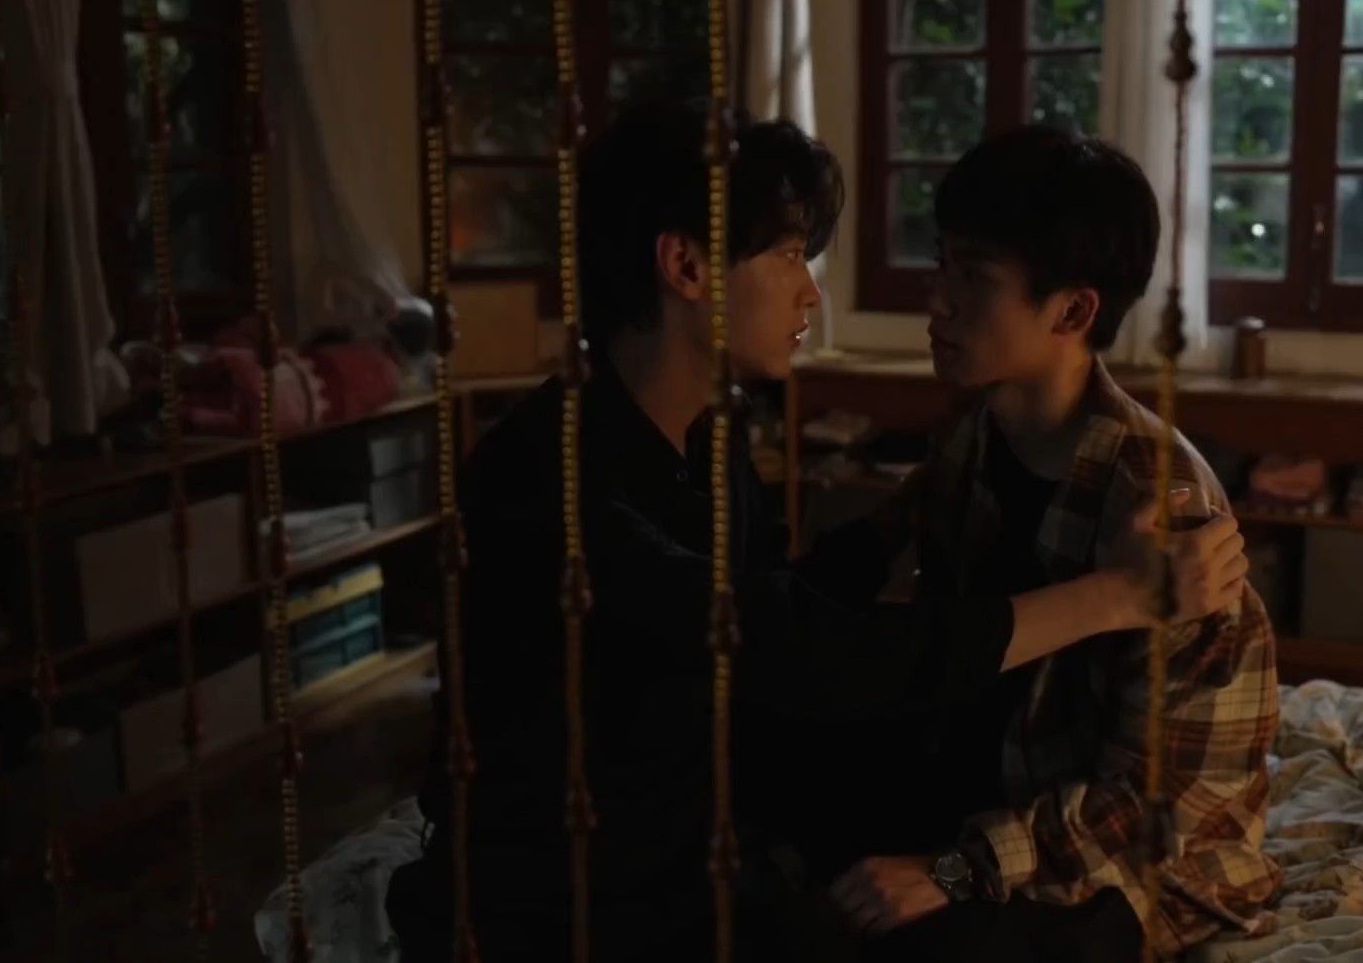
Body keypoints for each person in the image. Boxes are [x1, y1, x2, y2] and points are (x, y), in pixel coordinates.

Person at [383, 104, 1220, 963]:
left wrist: (899, 526)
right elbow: (794, 647)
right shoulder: (546, 482)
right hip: (584, 881)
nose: (812, 293)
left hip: (710, 821)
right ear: (685, 266)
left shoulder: (711, 433)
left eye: (970, 275)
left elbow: (790, 597)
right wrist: (1115, 596)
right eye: (788, 256)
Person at [818, 126, 1283, 961]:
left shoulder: (1161, 512)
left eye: (974, 277)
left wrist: (955, 871)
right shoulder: (975, 435)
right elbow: (870, 576)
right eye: (941, 265)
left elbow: (1152, 806)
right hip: (996, 799)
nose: (937, 301)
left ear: (1072, 311)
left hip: (1136, 867)